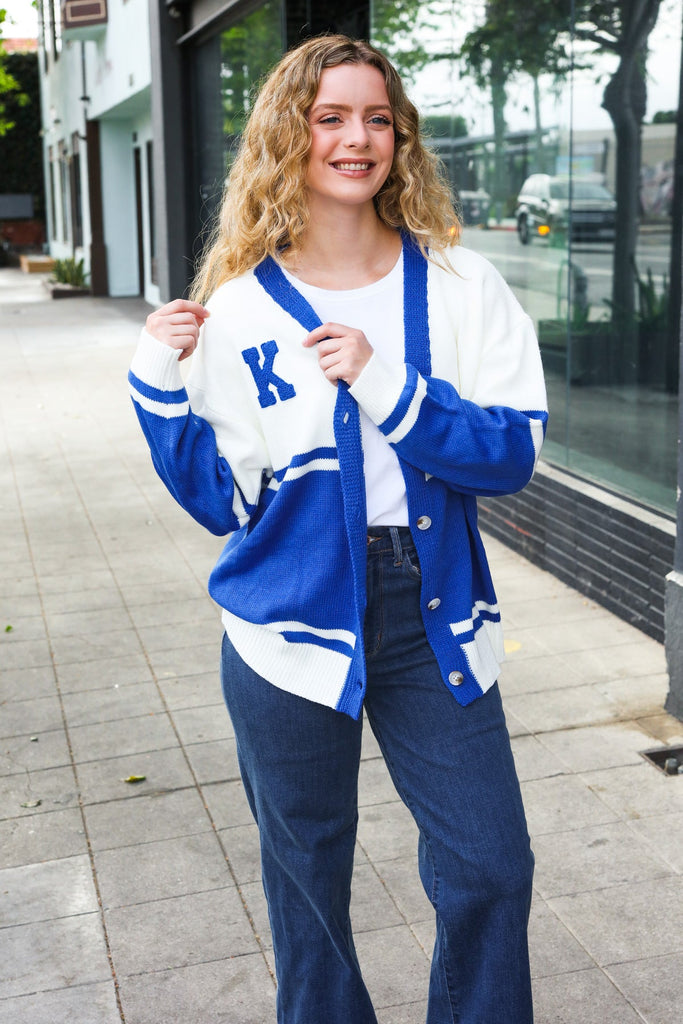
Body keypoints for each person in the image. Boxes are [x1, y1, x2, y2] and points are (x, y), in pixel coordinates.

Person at [128, 34, 547, 1024]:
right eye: (329, 117)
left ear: (399, 139)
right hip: (285, 623)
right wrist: (156, 383)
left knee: (490, 864)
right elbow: (226, 506)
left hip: (427, 613)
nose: (356, 139)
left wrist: (388, 384)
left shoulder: (459, 287)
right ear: (290, 135)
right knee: (306, 891)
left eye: (376, 118)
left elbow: (511, 456)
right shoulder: (236, 309)